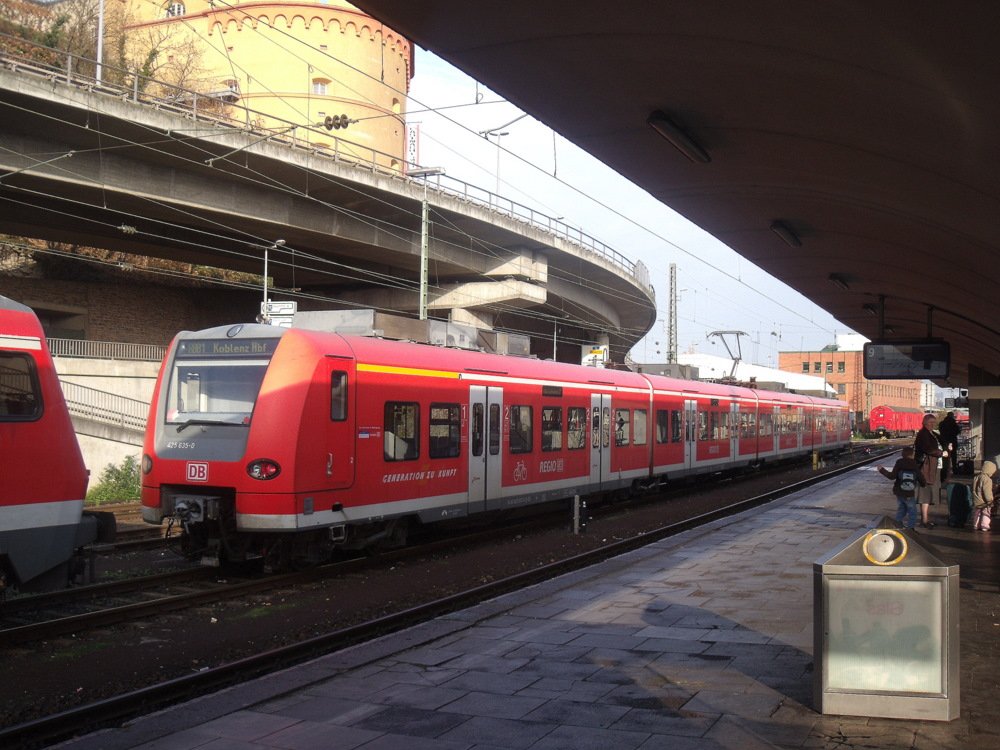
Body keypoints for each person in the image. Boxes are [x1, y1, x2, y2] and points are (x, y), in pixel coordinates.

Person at [878, 446, 926, 529]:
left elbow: (892, 476)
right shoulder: (914, 464)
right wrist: (923, 484)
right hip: (909, 493)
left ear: (902, 454)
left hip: (899, 492)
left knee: (902, 509)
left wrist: (882, 470)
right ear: (912, 454)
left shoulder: (899, 462)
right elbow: (921, 478)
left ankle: (897, 526)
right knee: (912, 512)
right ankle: (910, 529)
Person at [914, 413, 947, 528]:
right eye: (930, 423)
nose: (932, 425)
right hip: (926, 469)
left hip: (933, 468)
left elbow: (941, 443)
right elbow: (929, 449)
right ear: (924, 423)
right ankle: (924, 521)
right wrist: (942, 453)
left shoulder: (932, 433)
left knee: (928, 494)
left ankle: (925, 519)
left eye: (934, 422)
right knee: (925, 494)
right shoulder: (923, 434)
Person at [971, 460, 996, 532]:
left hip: (976, 499)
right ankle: (984, 525)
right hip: (985, 501)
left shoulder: (976, 477)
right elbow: (987, 491)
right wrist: (990, 500)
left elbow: (972, 487)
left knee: (977, 512)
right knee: (986, 512)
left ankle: (976, 525)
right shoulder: (987, 480)